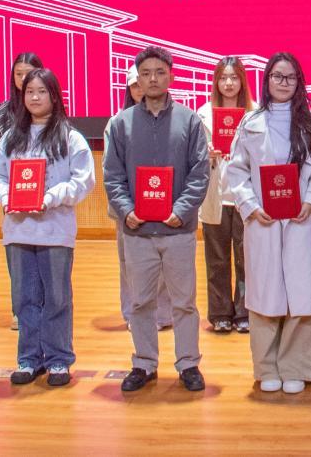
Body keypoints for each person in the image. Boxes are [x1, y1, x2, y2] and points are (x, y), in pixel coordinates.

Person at [103, 46, 209, 393]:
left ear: (171, 76)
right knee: (140, 302)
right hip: (138, 231)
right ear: (137, 78)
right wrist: (126, 210)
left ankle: (188, 363)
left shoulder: (190, 121)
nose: (153, 79)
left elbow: (199, 173)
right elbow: (112, 176)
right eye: (146, 73)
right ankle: (144, 363)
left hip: (178, 230)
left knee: (184, 302)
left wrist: (181, 211)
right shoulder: (121, 124)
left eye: (160, 72)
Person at [225, 53, 311, 394]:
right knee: (266, 294)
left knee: (300, 292)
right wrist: (251, 206)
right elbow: (237, 171)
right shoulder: (251, 122)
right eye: (277, 76)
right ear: (267, 80)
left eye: (290, 77)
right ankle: (267, 366)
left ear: (299, 82)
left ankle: (297, 366)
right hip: (265, 222)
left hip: (301, 220)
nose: (283, 83)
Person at [0, 68, 95, 387]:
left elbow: (83, 181)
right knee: (24, 298)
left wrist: (49, 198)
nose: (34, 97)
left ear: (55, 96)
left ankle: (59, 359)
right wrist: (8, 197)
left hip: (55, 231)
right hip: (18, 231)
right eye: (29, 91)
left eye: (42, 91)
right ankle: (29, 359)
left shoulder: (70, 138)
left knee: (57, 298)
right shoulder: (11, 137)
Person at [107, 66, 173, 331]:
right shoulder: (117, 122)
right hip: (128, 208)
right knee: (129, 263)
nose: (142, 88)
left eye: (145, 81)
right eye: (135, 84)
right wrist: (127, 207)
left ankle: (163, 314)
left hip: (164, 203)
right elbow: (112, 170)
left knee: (163, 262)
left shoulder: (175, 119)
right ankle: (134, 314)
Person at [0, 51, 43, 332]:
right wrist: (6, 192)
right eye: (18, 74)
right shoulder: (2, 112)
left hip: (46, 197)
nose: (23, 79)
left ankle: (45, 307)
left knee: (47, 253)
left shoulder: (53, 110)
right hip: (13, 195)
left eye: (28, 73)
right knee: (17, 255)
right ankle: (20, 310)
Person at [197, 57, 253, 334]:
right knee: (217, 259)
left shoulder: (254, 113)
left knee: (246, 259)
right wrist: (206, 153)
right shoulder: (203, 114)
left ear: (242, 80)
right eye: (223, 78)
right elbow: (192, 156)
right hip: (216, 195)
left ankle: (245, 311)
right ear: (216, 82)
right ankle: (220, 313)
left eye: (234, 77)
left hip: (246, 197)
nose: (229, 83)